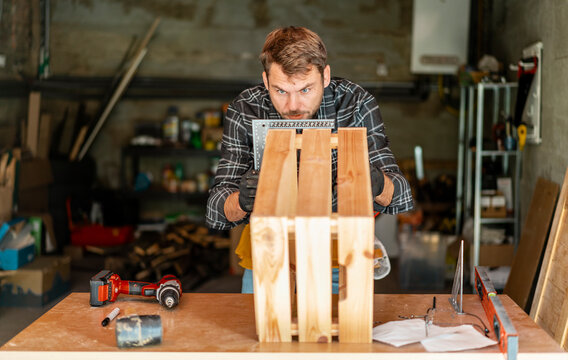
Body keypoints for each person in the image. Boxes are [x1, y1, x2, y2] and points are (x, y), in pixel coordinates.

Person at [206, 26, 413, 293]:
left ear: (324, 76)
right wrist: (242, 200)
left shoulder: (355, 103)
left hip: (342, 259)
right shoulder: (246, 108)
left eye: (305, 90)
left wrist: (374, 181)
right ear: (266, 80)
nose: (293, 106)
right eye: (281, 91)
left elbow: (400, 197)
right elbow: (216, 210)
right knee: (262, 333)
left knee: (345, 333)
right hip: (269, 257)